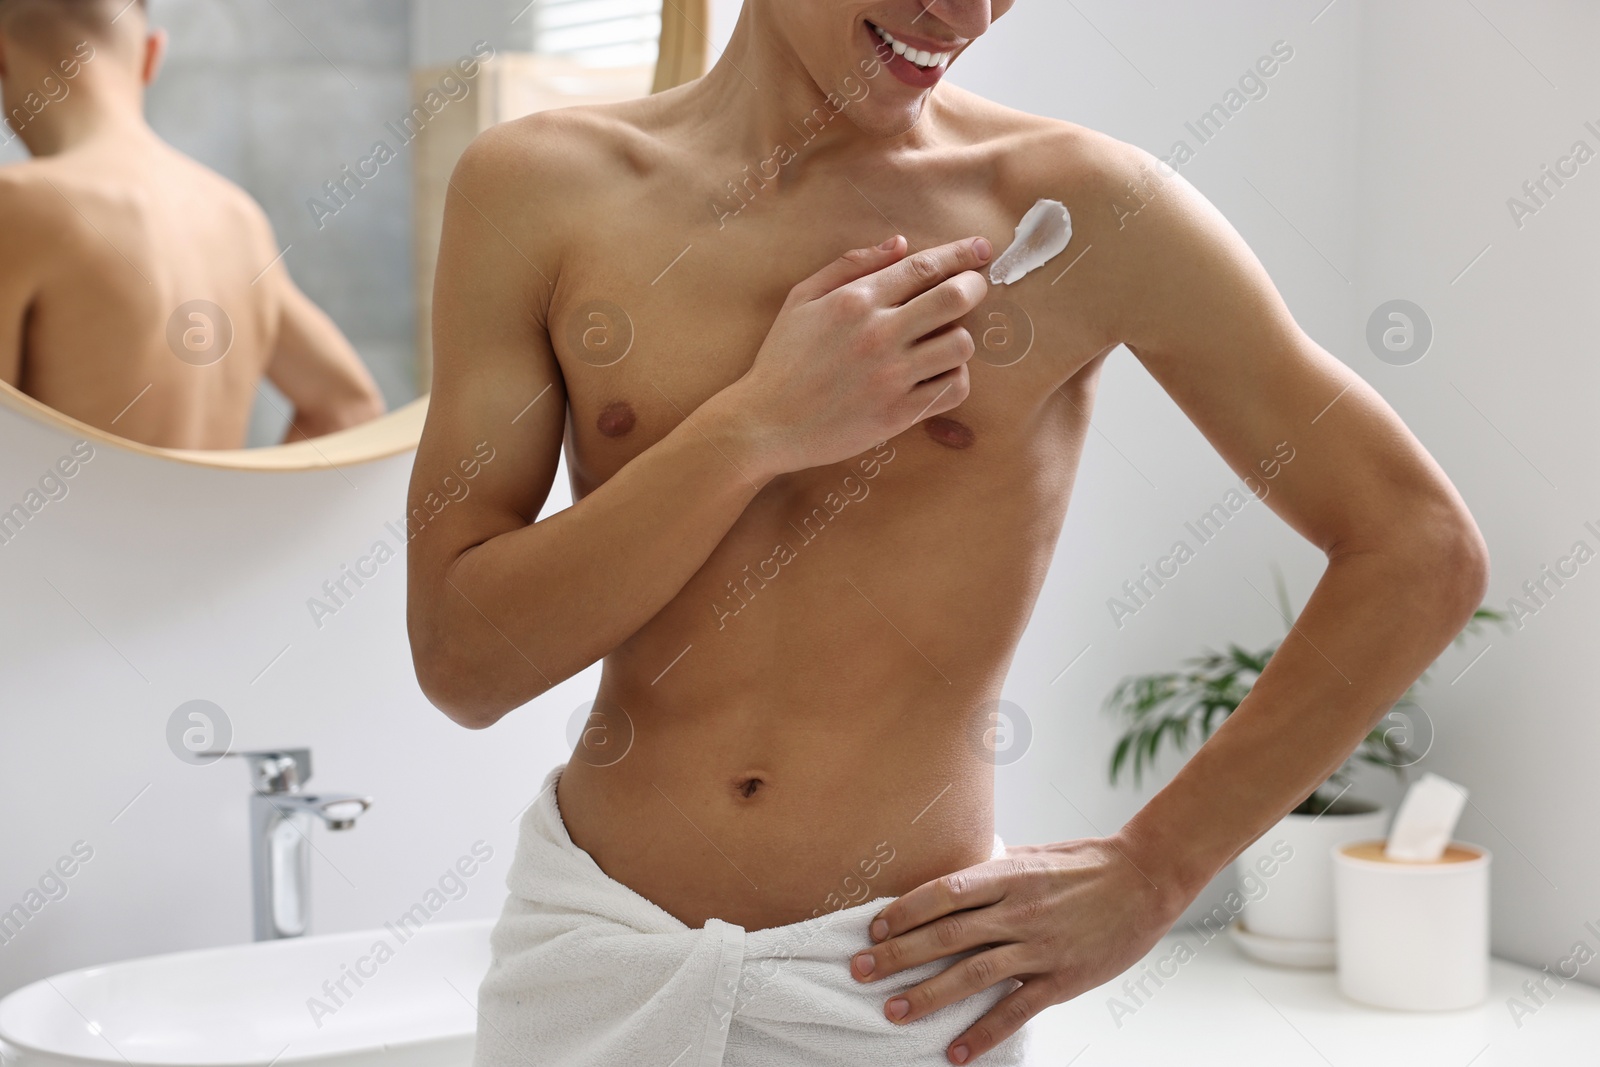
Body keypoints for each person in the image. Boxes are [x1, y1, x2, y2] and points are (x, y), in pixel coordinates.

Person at [406, 1, 1490, 1063]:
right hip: (598, 961)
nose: (962, 11)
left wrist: (1155, 868)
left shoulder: (1080, 211)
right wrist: (754, 427)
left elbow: (1418, 545)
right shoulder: (538, 189)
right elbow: (464, 662)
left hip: (900, 990)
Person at [0, 0, 385, 450]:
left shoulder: (19, 204)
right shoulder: (236, 218)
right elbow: (349, 406)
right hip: (225, 524)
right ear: (151, 56)